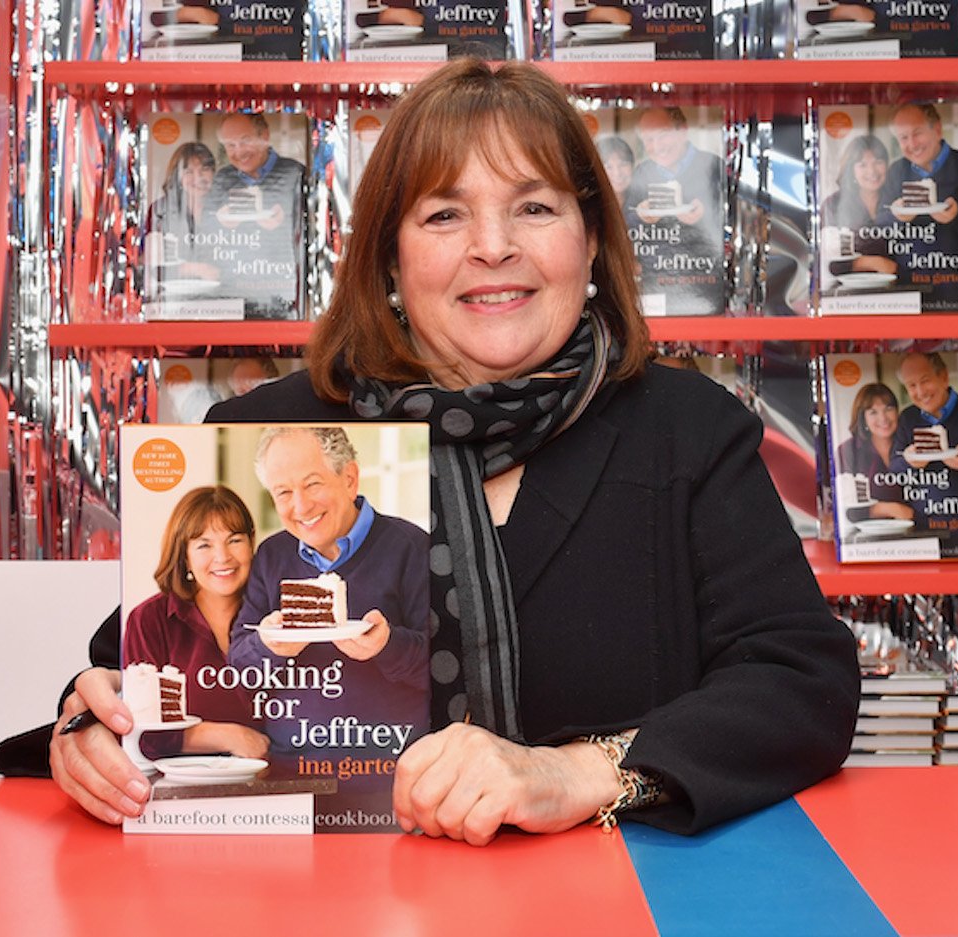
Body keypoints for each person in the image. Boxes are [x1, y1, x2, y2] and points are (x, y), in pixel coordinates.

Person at [47, 58, 859, 843]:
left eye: (535, 207)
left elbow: (801, 681)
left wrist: (583, 772)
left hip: (621, 900)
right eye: (444, 214)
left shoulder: (689, 428)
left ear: (590, 241)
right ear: (390, 258)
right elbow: (135, 668)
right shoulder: (272, 431)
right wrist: (89, 728)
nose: (494, 245)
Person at [227, 426, 429, 759]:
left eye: (312, 484)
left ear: (349, 479)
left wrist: (387, 645)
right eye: (283, 492)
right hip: (290, 770)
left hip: (386, 771)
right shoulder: (271, 555)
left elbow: (447, 670)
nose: (301, 506)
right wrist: (269, 646)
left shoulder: (412, 547)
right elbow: (238, 670)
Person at [121, 485, 269, 760]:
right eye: (204, 545)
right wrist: (230, 736)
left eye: (234, 540)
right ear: (184, 555)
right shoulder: (150, 620)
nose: (223, 557)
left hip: (280, 782)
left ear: (251, 542)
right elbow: (144, 733)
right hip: (182, 788)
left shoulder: (274, 615)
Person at [888, 351, 958, 553]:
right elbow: (893, 469)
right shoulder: (908, 418)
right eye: (911, 385)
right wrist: (909, 461)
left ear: (944, 377)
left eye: (925, 381)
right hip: (923, 531)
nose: (920, 392)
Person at [622, 106, 724, 314]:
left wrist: (706, 216)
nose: (655, 146)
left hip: (704, 289)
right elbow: (623, 226)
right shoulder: (643, 172)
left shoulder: (713, 167)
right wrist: (639, 217)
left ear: (683, 130)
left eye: (663, 136)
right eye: (648, 139)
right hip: (653, 289)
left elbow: (737, 226)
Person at [205, 112, 306, 317]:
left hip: (284, 297)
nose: (239, 151)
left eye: (245, 141)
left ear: (265, 136)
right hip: (230, 298)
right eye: (230, 145)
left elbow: (313, 234)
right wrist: (219, 225)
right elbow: (202, 239)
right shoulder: (222, 179)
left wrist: (285, 224)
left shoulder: (295, 173)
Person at [884, 103, 958, 310]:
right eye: (903, 138)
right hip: (907, 289)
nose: (911, 144)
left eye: (917, 133)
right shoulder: (896, 171)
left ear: (937, 129)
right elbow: (877, 225)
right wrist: (895, 217)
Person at [144, 141, 222, 289]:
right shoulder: (160, 210)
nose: (198, 178)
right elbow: (152, 267)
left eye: (204, 169)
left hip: (223, 298)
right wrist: (194, 269)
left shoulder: (226, 209)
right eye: (189, 172)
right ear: (177, 177)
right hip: (174, 299)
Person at [821, 134, 898, 280]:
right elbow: (828, 261)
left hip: (902, 289)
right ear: (851, 170)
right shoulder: (834, 205)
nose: (872, 171)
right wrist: (873, 263)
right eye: (862, 165)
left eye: (878, 162)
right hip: (848, 293)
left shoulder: (899, 201)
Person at [835, 382, 912, 521]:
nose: (883, 418)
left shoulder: (912, 445)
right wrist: (892, 509)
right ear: (862, 418)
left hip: (919, 530)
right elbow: (849, 510)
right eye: (873, 412)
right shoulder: (848, 451)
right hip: (869, 535)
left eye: (888, 408)